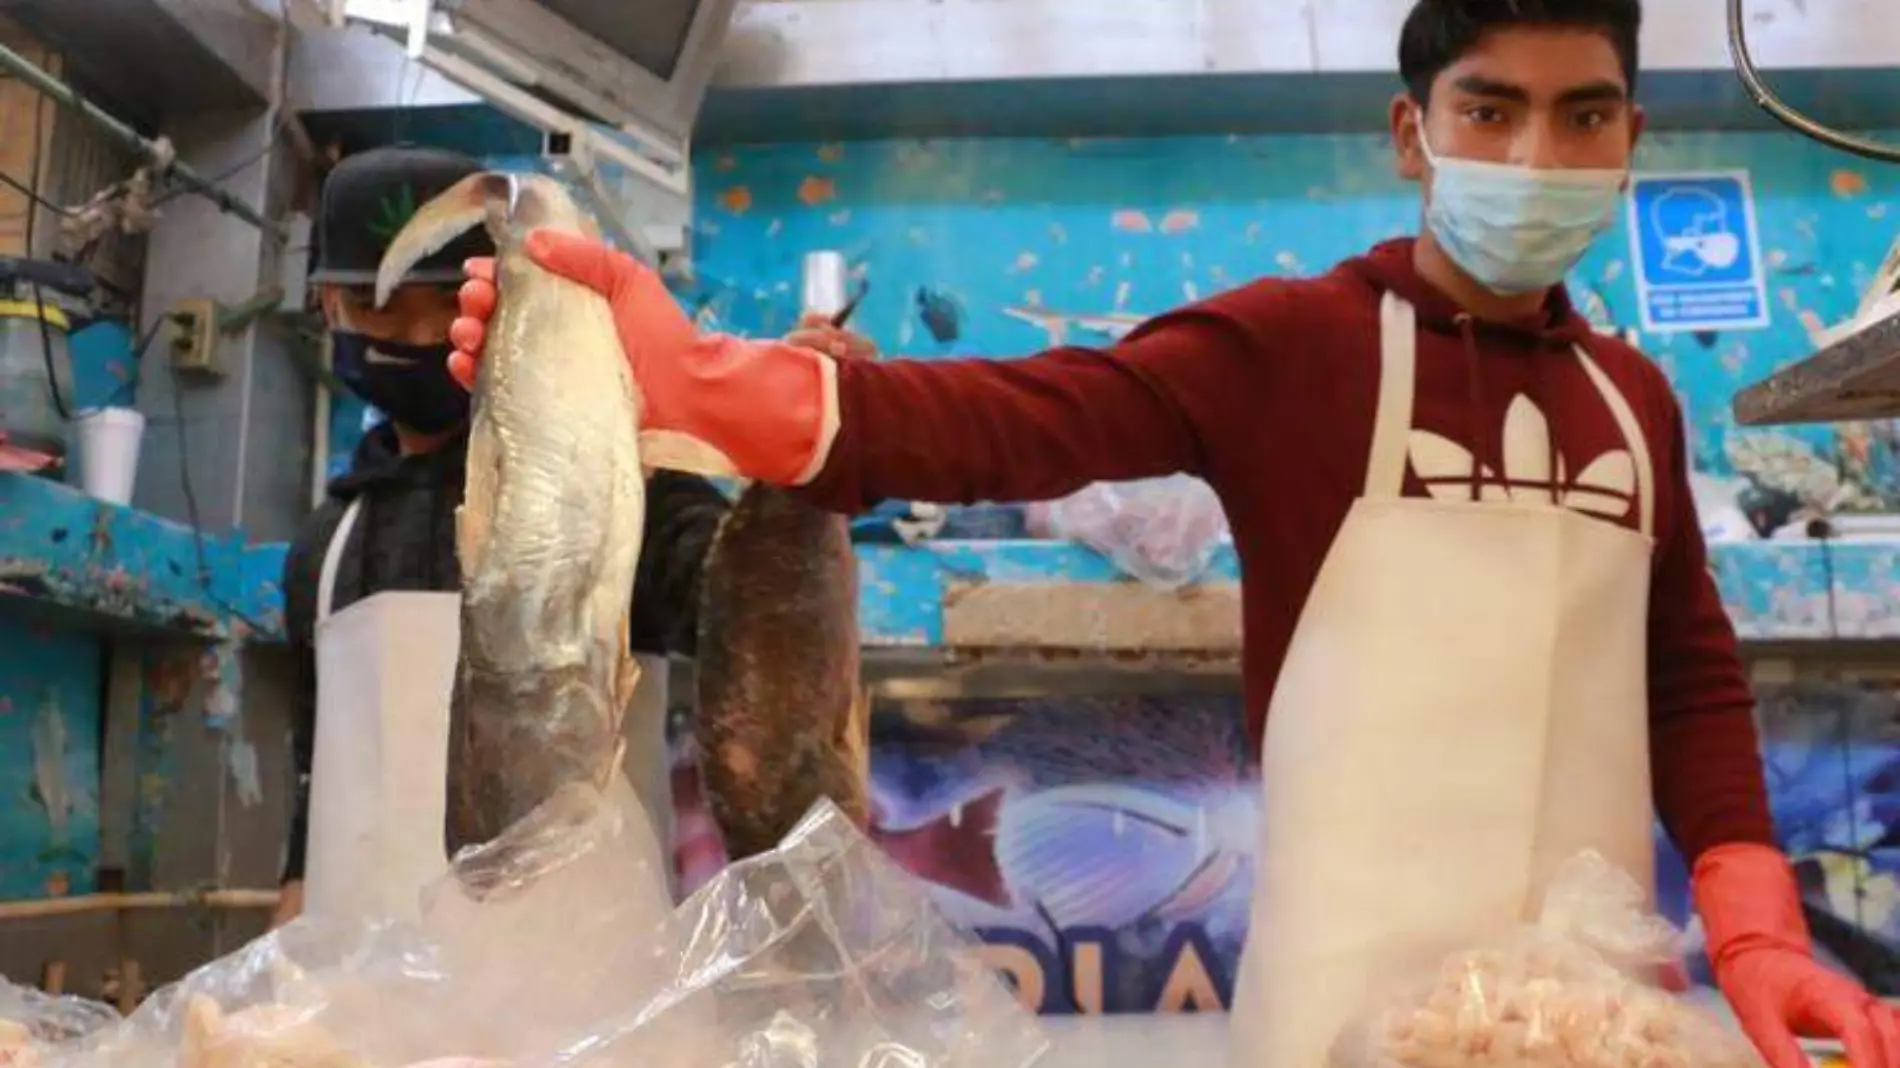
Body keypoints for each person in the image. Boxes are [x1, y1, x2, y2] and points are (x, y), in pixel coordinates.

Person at [446, 2, 1900, 1067]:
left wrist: (1760, 933)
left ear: (1632, 136)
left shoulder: (1633, 398)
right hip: (1334, 1014)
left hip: (1596, 1022)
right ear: (1415, 133)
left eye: (1584, 113)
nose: (1537, 149)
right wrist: (698, 386)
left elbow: (1690, 682)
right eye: (1489, 108)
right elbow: (1014, 418)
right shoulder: (1292, 348)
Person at [274, 145, 729, 928]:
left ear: (491, 301)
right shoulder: (324, 544)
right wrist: (288, 928)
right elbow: (320, 772)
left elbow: (725, 603)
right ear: (328, 307)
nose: (417, 333)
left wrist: (779, 457)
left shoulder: (621, 485)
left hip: (590, 991)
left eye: (444, 302)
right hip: (373, 1005)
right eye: (385, 306)